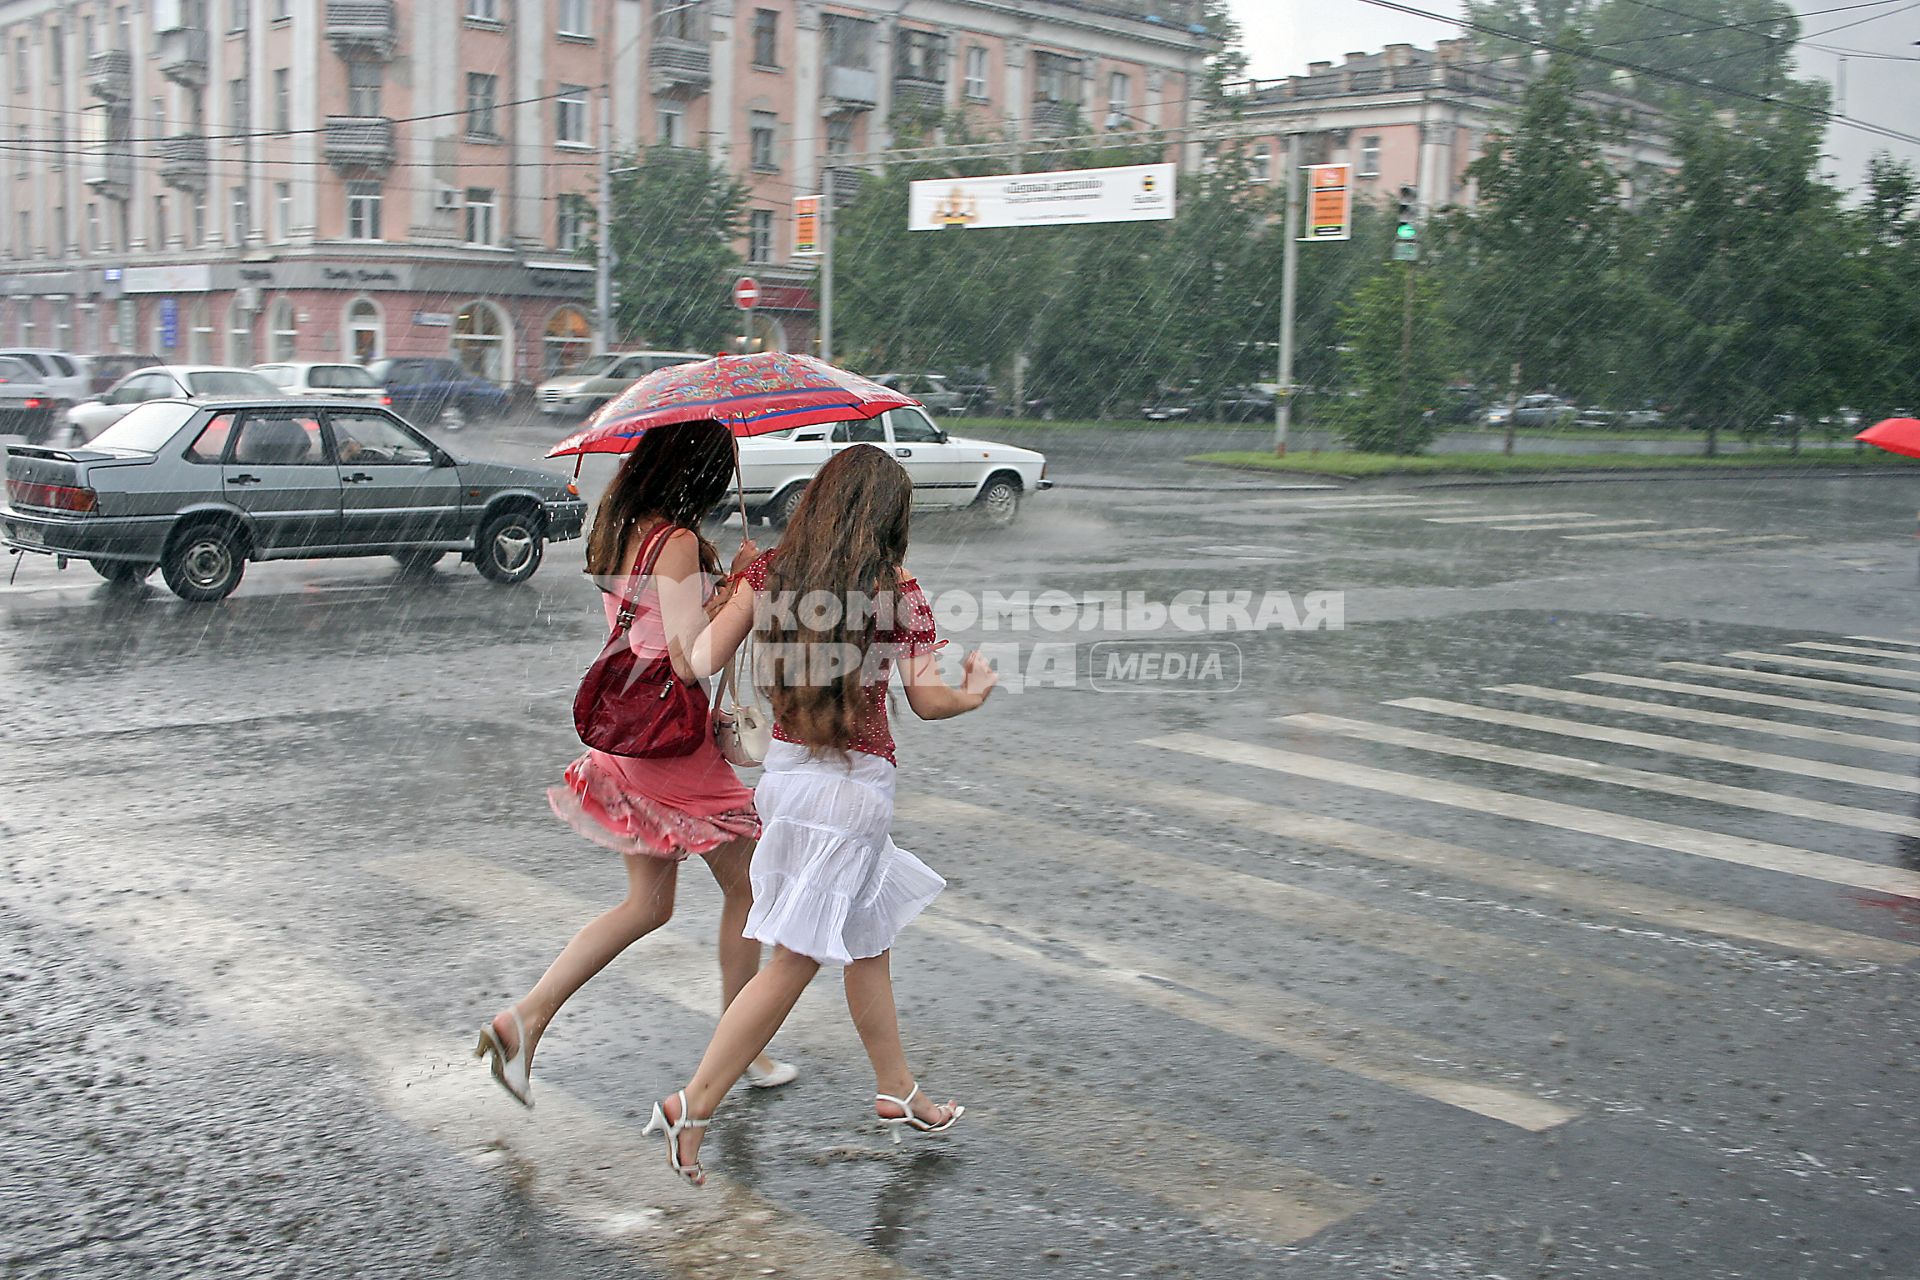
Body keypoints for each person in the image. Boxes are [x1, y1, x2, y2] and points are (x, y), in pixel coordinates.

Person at [639, 444, 998, 1187]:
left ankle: (897, 1089)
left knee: (868, 937)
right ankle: (693, 1103)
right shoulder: (896, 589)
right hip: (853, 793)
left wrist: (727, 593)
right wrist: (974, 691)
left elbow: (695, 662)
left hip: (788, 779)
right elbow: (927, 702)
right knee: (794, 960)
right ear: (886, 518)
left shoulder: (770, 574)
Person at [474, 420, 796, 1107]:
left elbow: (654, 624)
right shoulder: (675, 541)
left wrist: (722, 586)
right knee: (751, 887)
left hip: (629, 734)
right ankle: (743, 1047)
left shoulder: (623, 528)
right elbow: (686, 658)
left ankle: (522, 1022)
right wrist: (746, 592)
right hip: (668, 746)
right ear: (701, 475)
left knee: (648, 905)